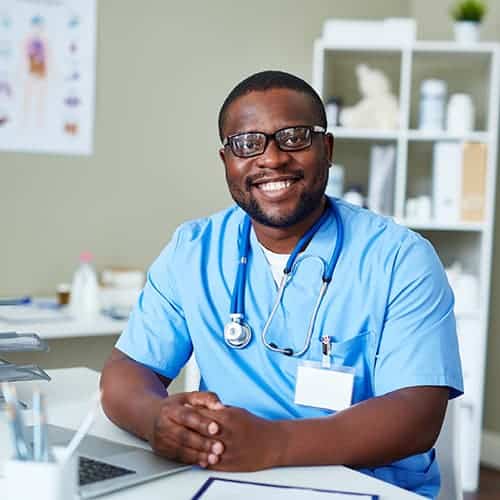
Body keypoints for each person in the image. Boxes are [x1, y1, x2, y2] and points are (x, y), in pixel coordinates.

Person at [101, 70, 463, 499]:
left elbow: (418, 415)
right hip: (228, 481)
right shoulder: (193, 250)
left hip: (366, 487)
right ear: (226, 162)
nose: (271, 159)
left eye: (294, 137)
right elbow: (127, 371)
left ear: (326, 149)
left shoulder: (399, 258)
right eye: (247, 144)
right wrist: (155, 417)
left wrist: (275, 444)